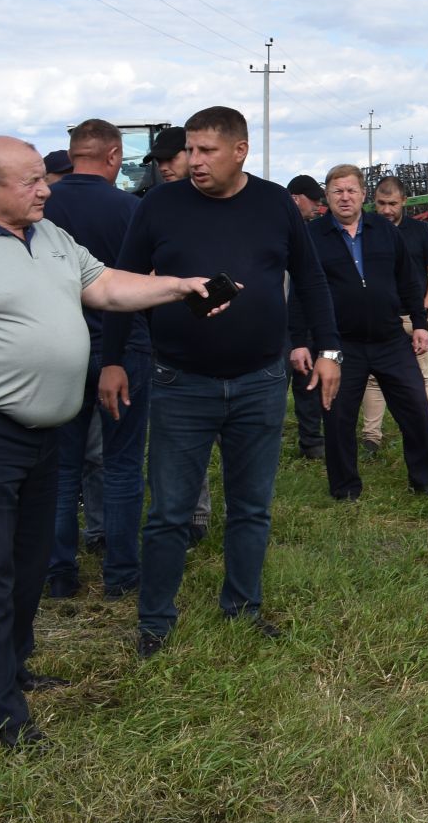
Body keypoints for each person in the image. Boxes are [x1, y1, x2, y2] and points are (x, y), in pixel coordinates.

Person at [0, 136, 226, 749]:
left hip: (45, 429)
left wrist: (180, 286)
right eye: (32, 180)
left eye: (43, 178)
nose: (45, 188)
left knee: (30, 559)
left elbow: (107, 286)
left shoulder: (48, 234)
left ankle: (16, 665)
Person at [101, 107, 341, 658]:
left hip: (259, 380)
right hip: (181, 381)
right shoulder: (159, 205)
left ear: (240, 151)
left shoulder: (275, 203)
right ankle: (156, 622)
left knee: (251, 506)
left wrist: (329, 350)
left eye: (207, 150)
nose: (194, 161)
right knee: (168, 512)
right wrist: (113, 360)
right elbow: (123, 284)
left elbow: (310, 280)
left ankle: (243, 607)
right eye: (190, 149)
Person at [42, 119, 152, 599]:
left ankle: (59, 572)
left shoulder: (43, 209)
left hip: (58, 350)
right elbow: (144, 282)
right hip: (123, 351)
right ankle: (122, 574)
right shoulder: (131, 208)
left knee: (62, 466)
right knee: (123, 462)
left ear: (72, 154)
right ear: (113, 157)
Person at [293, 165, 428, 501]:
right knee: (337, 416)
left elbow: (408, 280)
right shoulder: (313, 236)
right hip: (340, 344)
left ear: (363, 194)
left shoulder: (384, 231)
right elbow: (300, 292)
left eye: (350, 191)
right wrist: (299, 341)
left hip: (390, 339)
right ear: (327, 197)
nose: (344, 197)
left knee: (416, 409)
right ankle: (345, 488)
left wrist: (419, 323)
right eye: (337, 191)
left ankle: (424, 481)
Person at [143, 125, 217, 533]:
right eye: (158, 162)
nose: (164, 167)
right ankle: (193, 516)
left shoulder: (231, 203)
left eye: (171, 159)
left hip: (234, 345)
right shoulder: (156, 204)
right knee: (183, 440)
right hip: (173, 344)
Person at [360, 176, 428, 456]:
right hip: (377, 318)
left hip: (412, 317)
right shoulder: (364, 229)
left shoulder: (420, 231)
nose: (386, 210)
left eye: (392, 204)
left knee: (421, 374)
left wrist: (424, 311)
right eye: (381, 203)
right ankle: (371, 437)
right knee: (373, 379)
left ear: (404, 201)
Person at [285, 174, 331, 461]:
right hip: (275, 321)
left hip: (304, 318)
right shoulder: (276, 229)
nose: (317, 206)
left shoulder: (311, 232)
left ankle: (311, 441)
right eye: (312, 200)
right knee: (274, 384)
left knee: (306, 382)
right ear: (295, 198)